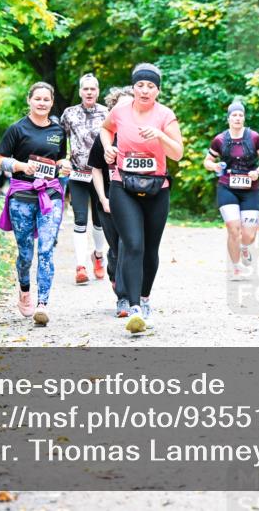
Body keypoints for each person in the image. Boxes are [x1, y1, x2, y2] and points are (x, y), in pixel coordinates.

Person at [99, 64, 183, 334]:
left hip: (157, 188)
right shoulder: (120, 111)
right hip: (122, 184)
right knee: (133, 244)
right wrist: (108, 148)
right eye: (140, 85)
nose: (145, 90)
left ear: (158, 90)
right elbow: (104, 129)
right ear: (133, 87)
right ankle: (134, 308)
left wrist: (160, 135)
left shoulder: (165, 115)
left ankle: (145, 298)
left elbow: (178, 153)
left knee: (150, 249)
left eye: (151, 86)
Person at [0, 82, 71, 326]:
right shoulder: (17, 129)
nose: (42, 103)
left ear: (51, 102)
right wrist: (19, 166)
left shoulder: (58, 131)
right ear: (29, 100)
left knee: (46, 249)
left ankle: (43, 304)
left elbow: (60, 159)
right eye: (37, 98)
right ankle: (25, 290)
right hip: (22, 196)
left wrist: (64, 166)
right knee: (26, 253)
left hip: (50, 194)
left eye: (46, 99)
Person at [203, 100, 259, 281]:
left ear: (244, 118)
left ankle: (245, 247)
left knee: (249, 234)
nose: (237, 118)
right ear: (229, 119)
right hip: (227, 187)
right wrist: (215, 167)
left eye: (240, 115)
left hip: (250, 189)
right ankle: (236, 267)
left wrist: (258, 172)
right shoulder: (220, 139)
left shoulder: (254, 137)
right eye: (234, 115)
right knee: (233, 229)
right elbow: (207, 161)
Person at [88, 85, 134, 317]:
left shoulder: (141, 132)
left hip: (137, 200)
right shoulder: (105, 136)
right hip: (109, 200)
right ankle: (115, 276)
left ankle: (127, 298)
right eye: (120, 105)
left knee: (132, 246)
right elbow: (96, 168)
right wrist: (103, 198)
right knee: (116, 248)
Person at [59, 74, 109, 285]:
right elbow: (61, 140)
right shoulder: (69, 114)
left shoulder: (108, 113)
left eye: (93, 89)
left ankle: (98, 255)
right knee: (80, 219)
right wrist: (62, 160)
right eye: (85, 89)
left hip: (100, 174)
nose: (89, 92)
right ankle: (80, 266)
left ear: (98, 91)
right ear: (80, 91)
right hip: (78, 174)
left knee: (99, 221)